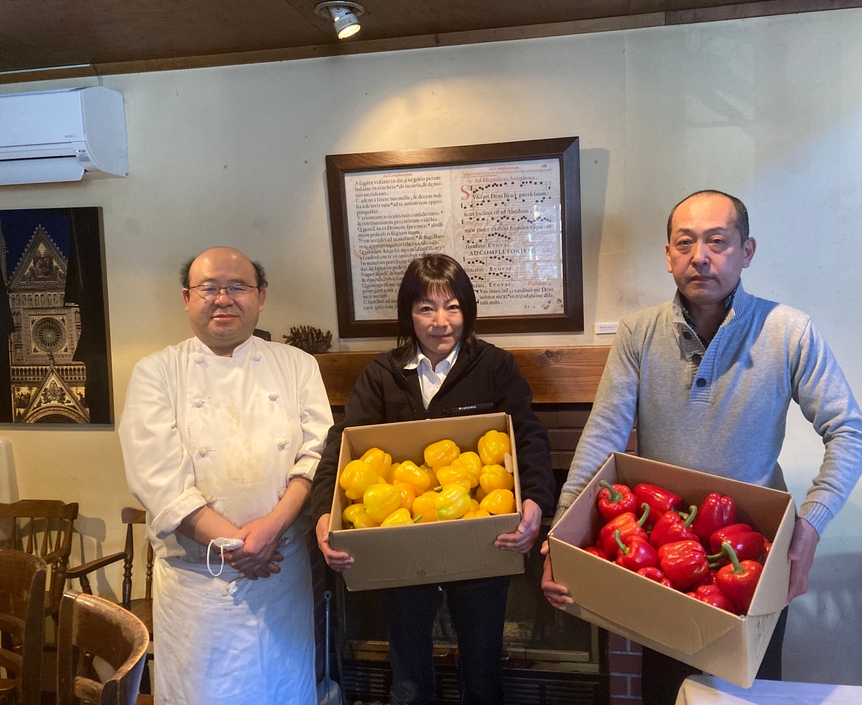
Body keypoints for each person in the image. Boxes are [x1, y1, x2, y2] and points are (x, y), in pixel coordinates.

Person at [540, 190, 862, 705]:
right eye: (686, 242)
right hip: (665, 556)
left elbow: (850, 432)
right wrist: (561, 537)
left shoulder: (789, 331)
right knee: (667, 690)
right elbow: (603, 434)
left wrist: (808, 528)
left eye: (717, 241)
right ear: (669, 255)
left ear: (747, 250)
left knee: (748, 694)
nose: (701, 256)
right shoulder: (638, 334)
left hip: (751, 555)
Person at [312, 253, 554, 705]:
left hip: (483, 540)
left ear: (468, 311)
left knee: (482, 673)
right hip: (403, 543)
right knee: (408, 677)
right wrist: (325, 516)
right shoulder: (382, 375)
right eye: (426, 308)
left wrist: (536, 501)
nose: (441, 321)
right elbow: (341, 446)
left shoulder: (494, 367)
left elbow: (529, 437)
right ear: (409, 313)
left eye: (453, 307)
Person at [119, 247, 333, 705]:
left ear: (261, 297)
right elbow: (159, 480)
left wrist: (270, 530)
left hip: (281, 574)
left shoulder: (298, 366)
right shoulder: (157, 372)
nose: (224, 298)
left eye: (238, 287)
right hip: (199, 589)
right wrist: (238, 548)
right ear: (186, 297)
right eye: (209, 288)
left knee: (286, 692)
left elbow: (317, 456)